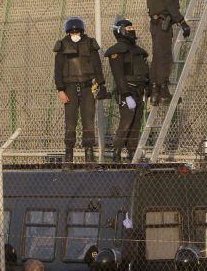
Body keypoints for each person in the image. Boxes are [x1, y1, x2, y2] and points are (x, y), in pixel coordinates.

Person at [144, 0, 207, 105]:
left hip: (156, 23)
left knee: (158, 56)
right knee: (165, 58)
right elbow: (169, 3)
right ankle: (163, 92)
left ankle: (155, 92)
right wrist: (182, 22)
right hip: (163, 24)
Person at [53, 16, 109, 162]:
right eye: (72, 32)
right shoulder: (62, 45)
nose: (75, 34)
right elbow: (58, 70)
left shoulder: (90, 44)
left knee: (88, 121)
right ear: (68, 32)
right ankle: (68, 155)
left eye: (77, 31)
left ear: (82, 31)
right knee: (70, 122)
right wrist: (60, 89)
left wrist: (102, 84)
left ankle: (89, 155)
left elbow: (97, 65)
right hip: (69, 88)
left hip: (87, 87)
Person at [105, 17, 150, 162]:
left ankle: (132, 153)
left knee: (136, 123)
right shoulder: (117, 51)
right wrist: (125, 94)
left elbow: (145, 72)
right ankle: (116, 153)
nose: (132, 31)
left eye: (132, 29)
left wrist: (147, 91)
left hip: (140, 91)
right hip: (127, 91)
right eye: (128, 29)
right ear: (121, 31)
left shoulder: (139, 52)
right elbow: (118, 75)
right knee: (126, 121)